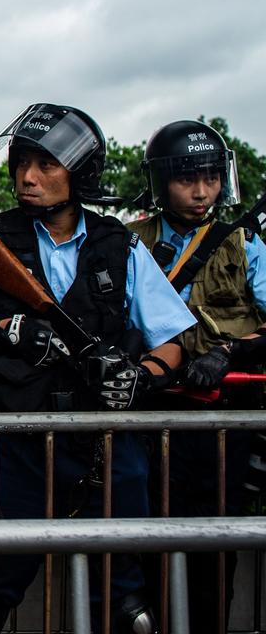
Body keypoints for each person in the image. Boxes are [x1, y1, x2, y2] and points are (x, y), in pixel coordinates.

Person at [0, 104, 195, 634]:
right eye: (21, 163)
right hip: (11, 445)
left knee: (128, 607)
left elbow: (173, 342)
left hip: (106, 449)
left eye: (46, 165)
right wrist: (6, 333)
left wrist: (140, 378)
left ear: (79, 173)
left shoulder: (120, 247)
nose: (27, 178)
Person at [128, 119, 266, 632]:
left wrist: (231, 354)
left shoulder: (245, 243)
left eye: (210, 177)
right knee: (141, 540)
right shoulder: (130, 242)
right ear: (162, 183)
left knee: (214, 542)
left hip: (221, 421)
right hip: (147, 415)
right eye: (188, 179)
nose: (202, 191)